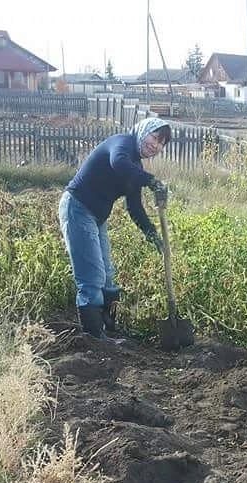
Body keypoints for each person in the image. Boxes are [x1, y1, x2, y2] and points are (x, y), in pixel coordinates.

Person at [58, 117, 172, 338]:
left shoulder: (135, 166)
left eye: (161, 144)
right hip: (78, 208)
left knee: (108, 275)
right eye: (155, 138)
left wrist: (153, 235)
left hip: (96, 217)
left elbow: (135, 207)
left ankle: (109, 328)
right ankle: (95, 336)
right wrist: (151, 181)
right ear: (143, 131)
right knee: (92, 276)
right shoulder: (122, 143)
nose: (156, 146)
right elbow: (117, 162)